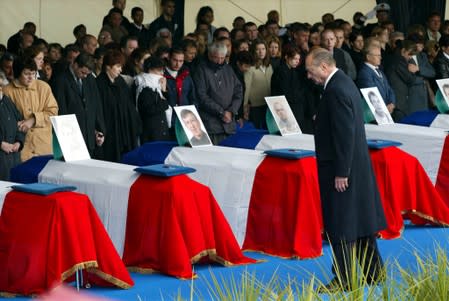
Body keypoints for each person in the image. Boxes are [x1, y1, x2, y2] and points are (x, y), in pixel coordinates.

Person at [305, 48, 386, 291]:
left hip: (342, 170)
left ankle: (344, 279)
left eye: (310, 72)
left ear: (323, 67)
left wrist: (342, 171)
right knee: (360, 222)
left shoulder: (336, 89)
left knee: (341, 224)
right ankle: (374, 273)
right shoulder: (345, 82)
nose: (309, 77)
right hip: (356, 167)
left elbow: (344, 134)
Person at [3, 58, 58, 162]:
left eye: (33, 73)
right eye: (26, 74)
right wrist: (16, 124)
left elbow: (53, 112)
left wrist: (33, 120)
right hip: (20, 148)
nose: (31, 77)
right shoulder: (7, 91)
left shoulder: (44, 87)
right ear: (18, 73)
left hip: (43, 146)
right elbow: (4, 120)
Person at [51, 52, 105, 156]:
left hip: (89, 136)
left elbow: (96, 105)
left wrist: (99, 129)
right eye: (82, 72)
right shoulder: (61, 80)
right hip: (71, 138)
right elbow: (61, 110)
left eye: (87, 74)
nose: (85, 76)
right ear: (75, 65)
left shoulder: (90, 79)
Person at [193, 41, 243, 145]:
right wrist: (221, 112)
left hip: (229, 124)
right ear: (209, 55)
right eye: (216, 57)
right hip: (211, 125)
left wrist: (231, 110)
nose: (220, 61)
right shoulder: (201, 70)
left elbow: (238, 91)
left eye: (222, 58)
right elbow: (202, 96)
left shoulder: (228, 69)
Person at [95, 50, 141, 162]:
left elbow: (129, 105)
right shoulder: (99, 84)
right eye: (118, 66)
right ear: (108, 67)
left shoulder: (120, 81)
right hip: (110, 132)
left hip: (124, 130)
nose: (121, 70)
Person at [135, 56, 171, 143]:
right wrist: (164, 102)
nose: (162, 73)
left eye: (163, 70)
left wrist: (164, 90)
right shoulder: (143, 86)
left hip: (162, 131)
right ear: (149, 70)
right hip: (151, 134)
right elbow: (149, 110)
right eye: (159, 70)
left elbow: (170, 101)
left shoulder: (158, 86)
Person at [356, 42, 396, 118]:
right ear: (368, 57)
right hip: (374, 116)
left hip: (385, 113)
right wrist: (384, 108)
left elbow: (390, 89)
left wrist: (391, 103)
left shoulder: (379, 71)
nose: (380, 58)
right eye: (377, 55)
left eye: (380, 55)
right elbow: (372, 95)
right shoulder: (364, 73)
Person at [0, 74, 24, 180]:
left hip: (13, 159)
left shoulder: (7, 101)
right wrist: (0, 144)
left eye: (1, 85)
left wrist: (19, 142)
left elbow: (20, 123)